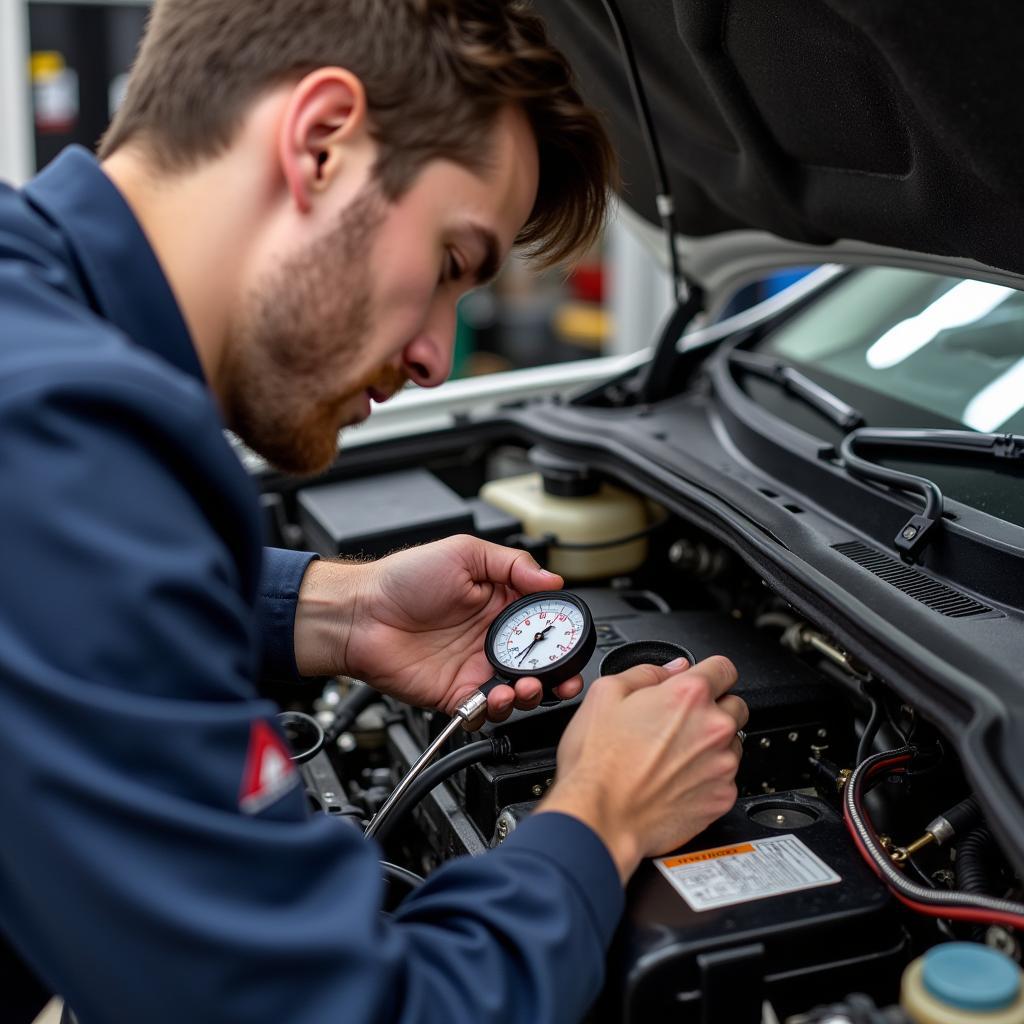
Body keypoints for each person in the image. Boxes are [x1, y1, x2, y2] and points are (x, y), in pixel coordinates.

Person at [0, 1, 748, 1022]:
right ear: (320, 144)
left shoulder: (31, 325)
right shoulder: (66, 442)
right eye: (450, 263)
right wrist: (600, 816)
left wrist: (334, 611)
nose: (439, 354)